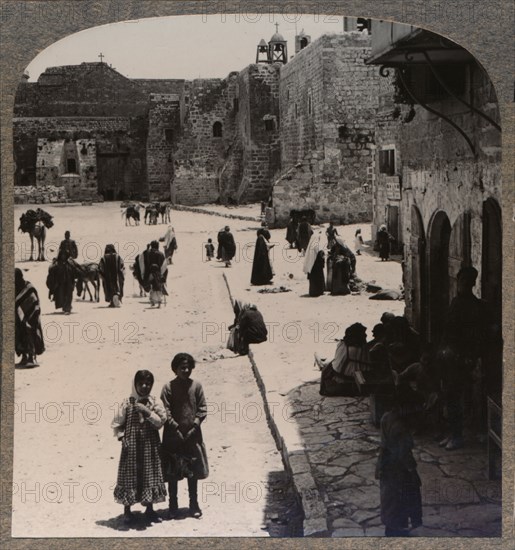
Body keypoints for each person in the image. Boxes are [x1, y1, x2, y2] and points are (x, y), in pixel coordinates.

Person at [436, 266, 492, 451]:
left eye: (465, 282)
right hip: (449, 357)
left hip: (461, 359)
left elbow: (474, 337)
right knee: (449, 396)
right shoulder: (456, 302)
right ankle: (453, 433)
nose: (461, 285)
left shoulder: (474, 307)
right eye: (460, 281)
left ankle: (457, 436)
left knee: (455, 397)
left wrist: (469, 357)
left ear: (471, 284)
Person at [112, 370, 167, 524]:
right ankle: (127, 511)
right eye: (141, 383)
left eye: (148, 384)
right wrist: (122, 438)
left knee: (149, 474)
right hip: (132, 447)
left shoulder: (155, 402)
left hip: (150, 445)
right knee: (130, 476)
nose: (144, 387)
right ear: (135, 385)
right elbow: (117, 423)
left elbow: (160, 422)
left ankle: (149, 509)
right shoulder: (127, 402)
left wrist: (147, 412)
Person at [161, 353, 209, 519]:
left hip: (192, 436)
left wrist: (194, 426)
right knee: (173, 471)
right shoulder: (168, 388)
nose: (186, 370)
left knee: (192, 471)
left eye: (188, 367)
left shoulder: (196, 386)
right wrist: (175, 428)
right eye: (182, 368)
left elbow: (202, 408)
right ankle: (173, 505)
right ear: (175, 369)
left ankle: (193, 503)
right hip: (173, 438)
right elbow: (165, 411)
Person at [375, 384, 423, 536]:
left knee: (391, 502)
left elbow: (384, 445)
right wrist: (412, 471)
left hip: (386, 465)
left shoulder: (386, 417)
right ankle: (398, 532)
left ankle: (393, 529)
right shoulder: (400, 428)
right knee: (401, 501)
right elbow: (403, 454)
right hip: (399, 470)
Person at [317, 323, 371, 396]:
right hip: (359, 379)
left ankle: (323, 390)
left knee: (330, 365)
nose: (366, 335)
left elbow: (336, 365)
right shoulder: (364, 348)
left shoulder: (342, 345)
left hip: (344, 378)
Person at [15, 268, 45, 367]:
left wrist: (30, 317)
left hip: (31, 317)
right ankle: (24, 357)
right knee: (19, 336)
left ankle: (31, 358)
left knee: (31, 336)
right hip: (18, 319)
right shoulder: (14, 287)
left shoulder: (29, 288)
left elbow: (35, 303)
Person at [46, 249, 76, 314]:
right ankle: (65, 307)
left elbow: (73, 273)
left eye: (64, 255)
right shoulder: (57, 264)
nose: (63, 256)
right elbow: (53, 272)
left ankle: (67, 308)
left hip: (68, 283)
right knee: (61, 296)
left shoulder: (69, 264)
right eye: (62, 255)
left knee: (68, 295)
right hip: (60, 283)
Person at [303, 231, 325, 297]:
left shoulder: (310, 246)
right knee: (318, 278)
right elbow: (320, 255)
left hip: (312, 266)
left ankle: (313, 292)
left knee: (313, 280)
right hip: (317, 266)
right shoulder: (316, 245)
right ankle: (319, 291)